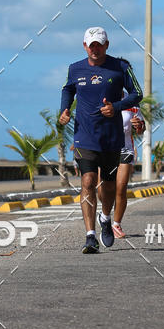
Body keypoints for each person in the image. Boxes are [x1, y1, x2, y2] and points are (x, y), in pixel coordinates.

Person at [59, 27, 143, 254]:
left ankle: (106, 218)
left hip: (112, 138)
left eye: (99, 44)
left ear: (107, 45)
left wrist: (115, 108)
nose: (95, 49)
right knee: (87, 181)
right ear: (85, 46)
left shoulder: (120, 67)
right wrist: (65, 109)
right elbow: (68, 89)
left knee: (108, 186)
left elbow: (137, 94)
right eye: (91, 45)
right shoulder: (75, 69)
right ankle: (90, 236)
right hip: (84, 136)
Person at [112, 103, 146, 238]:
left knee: (121, 187)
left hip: (125, 149)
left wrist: (139, 126)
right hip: (104, 149)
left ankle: (116, 224)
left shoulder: (131, 102)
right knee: (103, 191)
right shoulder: (102, 94)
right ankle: (104, 216)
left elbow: (141, 129)